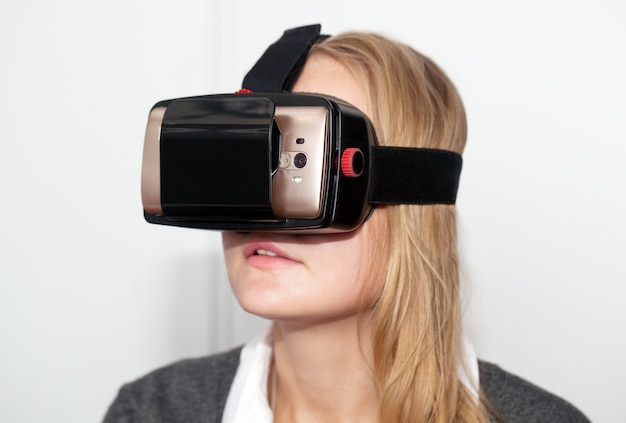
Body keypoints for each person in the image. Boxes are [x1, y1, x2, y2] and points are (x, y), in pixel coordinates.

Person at [104, 26, 590, 423]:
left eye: (303, 163)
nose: (259, 212)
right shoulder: (153, 410)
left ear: (413, 196)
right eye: (247, 160)